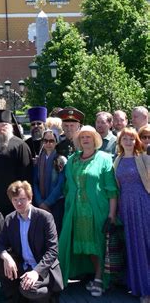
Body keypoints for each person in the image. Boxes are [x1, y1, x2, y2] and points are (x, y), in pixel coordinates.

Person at [59, 125, 118, 298]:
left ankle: (100, 279)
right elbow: (68, 186)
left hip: (97, 211)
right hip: (76, 212)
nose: (86, 140)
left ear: (95, 139)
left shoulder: (105, 158)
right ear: (78, 141)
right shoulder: (73, 160)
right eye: (82, 137)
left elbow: (111, 189)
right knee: (82, 246)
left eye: (89, 137)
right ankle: (86, 276)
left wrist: (112, 214)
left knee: (98, 245)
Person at [0, 181, 64, 302]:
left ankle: (50, 294)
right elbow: (0, 244)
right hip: (23, 265)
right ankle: (15, 296)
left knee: (28, 290)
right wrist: (6, 257)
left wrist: (36, 272)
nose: (18, 203)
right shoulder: (10, 219)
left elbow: (53, 250)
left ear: (30, 199)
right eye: (15, 200)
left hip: (42, 267)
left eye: (22, 199)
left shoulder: (45, 217)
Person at [113, 127, 150, 303]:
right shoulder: (117, 161)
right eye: (125, 139)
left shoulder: (143, 158)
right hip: (126, 208)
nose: (128, 142)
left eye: (132, 139)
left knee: (146, 246)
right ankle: (140, 287)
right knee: (134, 247)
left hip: (143, 206)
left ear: (137, 141)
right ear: (120, 141)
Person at [0, 110, 33, 216]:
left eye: (4, 125)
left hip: (13, 201)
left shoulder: (20, 146)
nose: (1, 128)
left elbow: (26, 175)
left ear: (10, 126)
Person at [33, 129, 66, 234]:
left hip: (56, 203)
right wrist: (40, 202)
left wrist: (47, 203)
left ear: (56, 142)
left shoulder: (61, 160)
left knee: (55, 232)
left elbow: (61, 184)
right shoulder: (38, 160)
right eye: (45, 140)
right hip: (40, 202)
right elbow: (35, 182)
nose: (48, 143)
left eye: (51, 141)